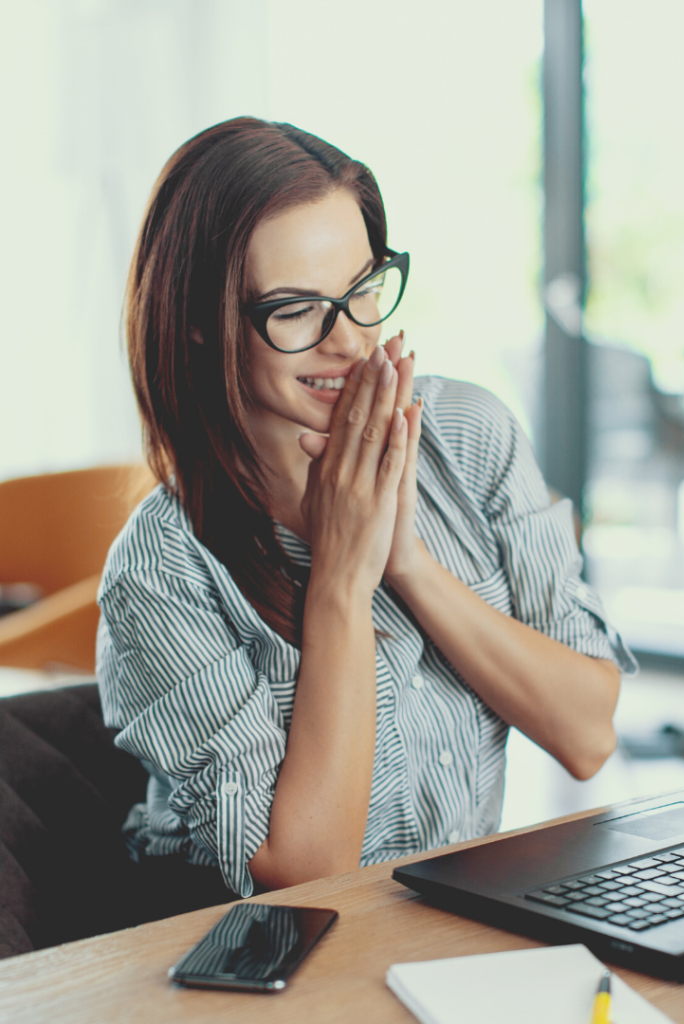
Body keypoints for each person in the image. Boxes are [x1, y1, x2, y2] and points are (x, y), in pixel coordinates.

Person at [97, 117, 635, 907]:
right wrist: (343, 580)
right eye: (295, 309)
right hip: (249, 966)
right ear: (201, 325)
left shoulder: (469, 437)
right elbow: (307, 880)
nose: (348, 340)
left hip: (444, 930)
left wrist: (408, 562)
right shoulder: (159, 573)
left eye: (362, 290)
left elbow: (588, 734)